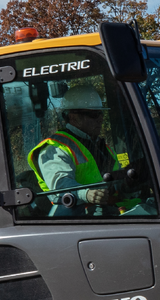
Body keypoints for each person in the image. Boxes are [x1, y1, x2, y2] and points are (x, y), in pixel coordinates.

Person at [28, 85, 121, 215]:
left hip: (108, 212)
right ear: (73, 117)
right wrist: (86, 194)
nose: (100, 119)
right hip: (80, 219)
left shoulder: (100, 146)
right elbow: (60, 184)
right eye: (94, 114)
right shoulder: (55, 148)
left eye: (101, 113)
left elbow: (114, 180)